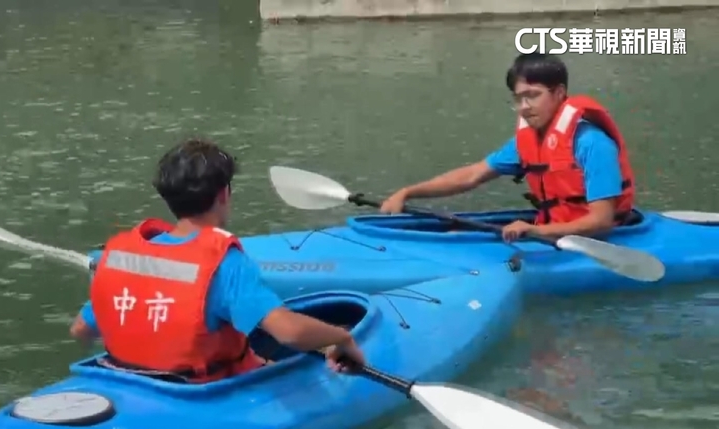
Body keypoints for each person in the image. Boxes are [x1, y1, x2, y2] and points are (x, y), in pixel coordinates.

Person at [69, 137, 367, 383]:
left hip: (124, 380)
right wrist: (342, 339)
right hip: (199, 391)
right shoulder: (225, 263)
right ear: (224, 194)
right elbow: (290, 332)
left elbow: (81, 330)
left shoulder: (122, 257)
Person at [379, 53, 636, 242]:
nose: (524, 106)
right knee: (455, 234)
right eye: (518, 98)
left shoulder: (592, 143)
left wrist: (535, 230)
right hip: (549, 231)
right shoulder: (529, 140)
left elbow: (601, 222)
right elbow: (471, 175)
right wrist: (408, 192)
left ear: (559, 93)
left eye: (533, 95)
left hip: (596, 240)